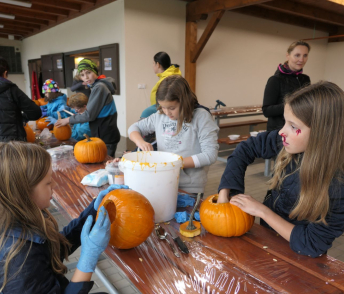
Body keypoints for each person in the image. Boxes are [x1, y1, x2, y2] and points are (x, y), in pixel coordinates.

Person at [0, 141, 129, 294]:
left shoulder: (10, 217)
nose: (54, 185)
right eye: (48, 182)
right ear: (23, 193)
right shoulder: (17, 258)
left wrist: (93, 209)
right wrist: (88, 258)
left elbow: (51, 250)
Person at [218, 81, 344, 258]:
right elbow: (245, 149)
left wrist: (262, 211)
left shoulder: (337, 185)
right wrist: (227, 190)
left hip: (301, 259)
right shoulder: (287, 143)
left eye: (293, 126)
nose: (281, 132)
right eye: (285, 122)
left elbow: (311, 244)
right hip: (267, 241)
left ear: (322, 133)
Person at [128, 75, 219, 194]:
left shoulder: (201, 117)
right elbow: (134, 128)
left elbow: (210, 155)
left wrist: (173, 164)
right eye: (163, 107)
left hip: (189, 186)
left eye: (172, 108)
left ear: (184, 101)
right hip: (163, 180)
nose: (167, 112)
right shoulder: (159, 116)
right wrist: (141, 142)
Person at [0, 54, 41, 161]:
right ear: (5, 73)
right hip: (10, 148)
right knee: (13, 176)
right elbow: (36, 113)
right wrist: (22, 117)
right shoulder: (11, 89)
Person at [55, 59, 120, 157]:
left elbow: (89, 115)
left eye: (88, 73)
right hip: (105, 134)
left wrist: (68, 120)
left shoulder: (99, 87)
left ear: (95, 72)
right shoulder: (96, 86)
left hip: (106, 136)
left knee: (106, 164)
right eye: (82, 75)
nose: (86, 77)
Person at [262, 40, 311, 132]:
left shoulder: (305, 79)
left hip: (299, 130)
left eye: (305, 55)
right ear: (288, 55)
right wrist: (293, 105)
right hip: (279, 132)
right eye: (297, 55)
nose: (301, 59)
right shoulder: (275, 80)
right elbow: (267, 111)